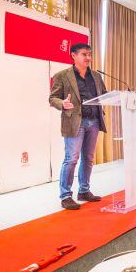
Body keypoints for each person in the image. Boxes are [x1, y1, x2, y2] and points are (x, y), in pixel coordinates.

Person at [49, 43, 106, 210]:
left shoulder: (96, 76)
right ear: (73, 55)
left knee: (88, 159)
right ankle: (66, 195)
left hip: (94, 121)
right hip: (75, 122)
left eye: (89, 54)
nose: (88, 58)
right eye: (84, 54)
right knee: (71, 159)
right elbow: (53, 98)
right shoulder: (62, 76)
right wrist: (62, 103)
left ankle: (84, 191)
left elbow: (104, 95)